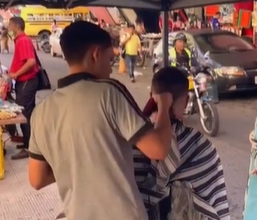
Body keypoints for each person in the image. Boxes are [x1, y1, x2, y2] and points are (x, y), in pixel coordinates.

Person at [27, 21, 174, 220]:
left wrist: (75, 162)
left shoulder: (41, 111)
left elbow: (36, 179)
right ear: (95, 54)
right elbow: (158, 149)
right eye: (110, 59)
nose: (111, 69)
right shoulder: (108, 91)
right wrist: (164, 105)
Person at [138, 67, 230, 220]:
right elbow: (217, 203)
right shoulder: (201, 146)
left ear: (151, 97)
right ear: (186, 101)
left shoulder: (134, 140)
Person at [8, 17, 39, 160]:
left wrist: (16, 74)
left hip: (27, 81)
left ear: (17, 26)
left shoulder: (23, 40)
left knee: (23, 113)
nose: (8, 26)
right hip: (23, 81)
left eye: (10, 24)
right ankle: (29, 142)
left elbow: (31, 62)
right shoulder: (19, 40)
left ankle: (28, 148)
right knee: (26, 113)